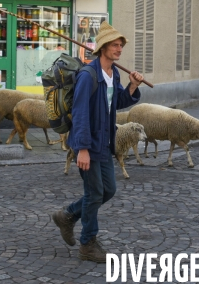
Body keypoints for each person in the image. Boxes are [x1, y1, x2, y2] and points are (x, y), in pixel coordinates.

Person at [52, 21, 143, 263]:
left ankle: (68, 215)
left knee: (108, 190)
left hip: (104, 143)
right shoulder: (87, 76)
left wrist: (132, 86)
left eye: (121, 45)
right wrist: (81, 149)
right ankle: (88, 243)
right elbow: (80, 113)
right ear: (103, 48)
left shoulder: (113, 74)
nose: (119, 49)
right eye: (115, 45)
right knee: (94, 194)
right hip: (88, 144)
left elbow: (117, 103)